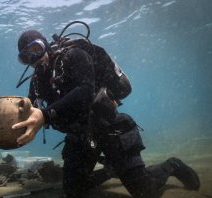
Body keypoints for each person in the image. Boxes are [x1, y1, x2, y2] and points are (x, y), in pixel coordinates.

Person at [11, 23, 200, 198]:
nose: (33, 58)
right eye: (25, 57)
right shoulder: (38, 80)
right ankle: (112, 170)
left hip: (110, 130)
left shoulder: (74, 55)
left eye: (36, 49)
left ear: (45, 44)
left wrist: (45, 115)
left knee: (146, 192)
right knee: (73, 190)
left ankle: (172, 165)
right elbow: (32, 107)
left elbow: (85, 92)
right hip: (80, 138)